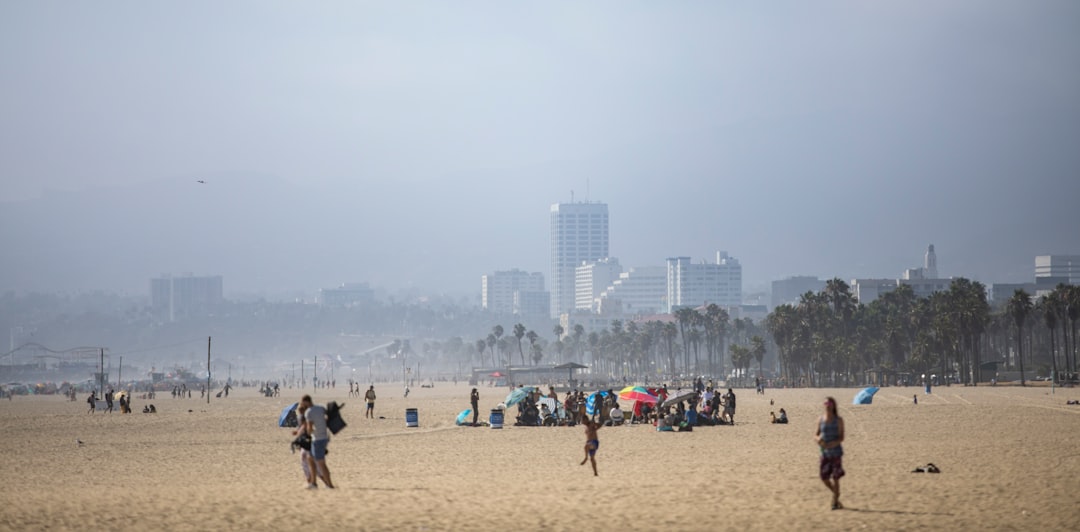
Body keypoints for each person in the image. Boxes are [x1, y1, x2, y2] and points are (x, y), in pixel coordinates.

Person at [814, 397, 845, 510]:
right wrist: (818, 440)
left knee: (836, 478)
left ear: (833, 405)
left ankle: (835, 502)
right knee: (824, 477)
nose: (827, 405)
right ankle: (836, 494)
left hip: (836, 452)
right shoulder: (820, 419)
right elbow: (816, 434)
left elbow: (842, 437)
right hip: (825, 453)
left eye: (829, 403)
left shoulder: (839, 420)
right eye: (825, 403)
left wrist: (833, 443)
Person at [300, 394, 334, 488]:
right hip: (325, 437)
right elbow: (327, 417)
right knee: (310, 458)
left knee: (321, 463)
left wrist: (308, 432)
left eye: (303, 403)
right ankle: (313, 483)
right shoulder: (320, 408)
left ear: (306, 402)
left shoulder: (308, 412)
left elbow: (309, 428)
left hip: (318, 438)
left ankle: (330, 485)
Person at [293, 402, 318, 489]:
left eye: (301, 410)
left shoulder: (306, 418)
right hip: (305, 442)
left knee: (308, 462)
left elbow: (305, 428)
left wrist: (298, 434)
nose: (299, 411)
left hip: (308, 442)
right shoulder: (302, 417)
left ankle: (311, 481)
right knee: (307, 462)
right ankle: (311, 481)